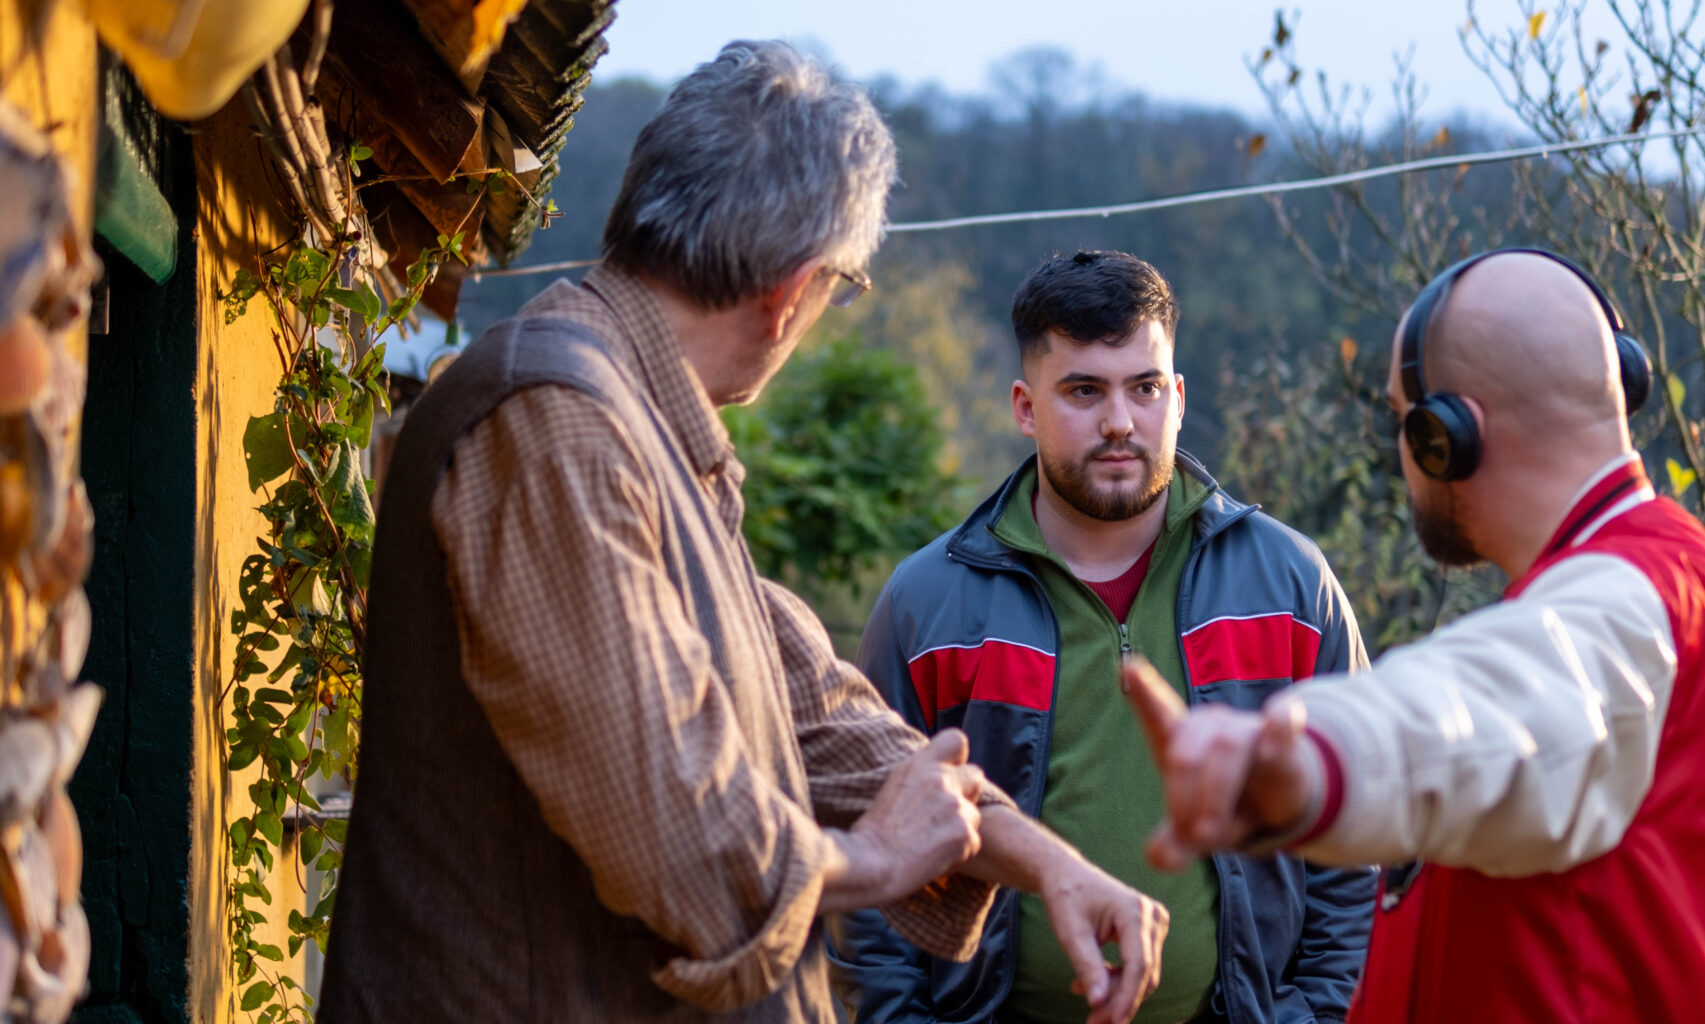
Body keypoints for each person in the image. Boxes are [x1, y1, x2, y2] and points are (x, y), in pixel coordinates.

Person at [319, 42, 1167, 1024]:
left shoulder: (641, 428)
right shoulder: (557, 424)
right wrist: (876, 857)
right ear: (789, 291)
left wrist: (1052, 865)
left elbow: (819, 723)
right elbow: (680, 831)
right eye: (842, 288)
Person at [1122, 249, 1705, 1023]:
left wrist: (1302, 760)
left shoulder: (1623, 606)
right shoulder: (1681, 572)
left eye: (1404, 420)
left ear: (1446, 438)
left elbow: (1489, 715)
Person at [832, 250, 1375, 1024]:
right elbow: (869, 849)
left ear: (1177, 398)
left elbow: (1356, 833)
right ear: (1026, 407)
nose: (1120, 422)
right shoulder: (929, 605)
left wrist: (1317, 1013)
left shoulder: (1288, 585)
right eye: (1084, 390)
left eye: (1144, 388)